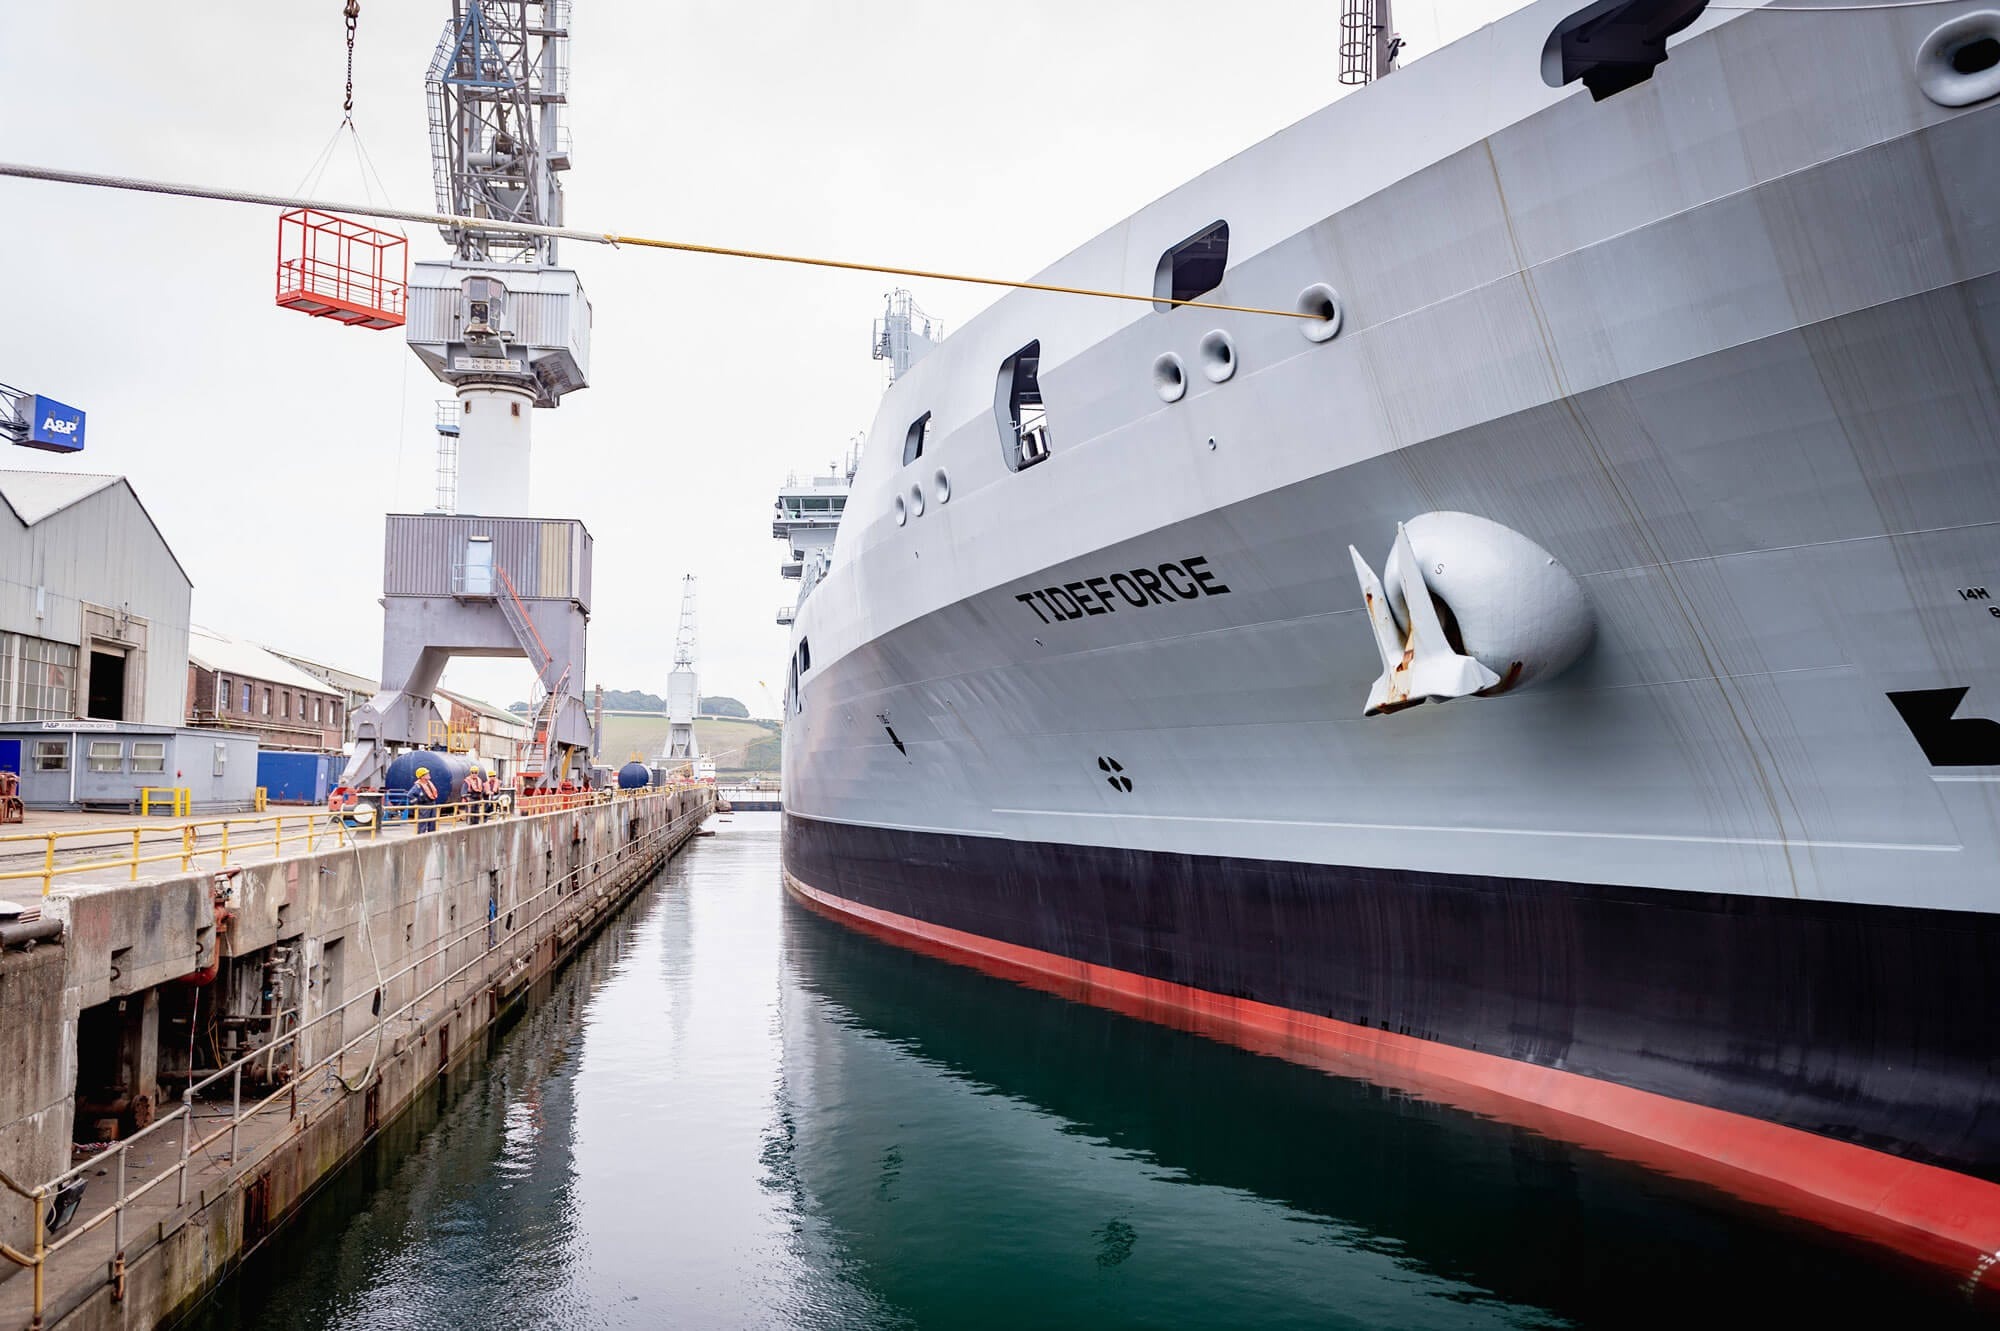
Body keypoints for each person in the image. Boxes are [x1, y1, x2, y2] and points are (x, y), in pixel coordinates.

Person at [413, 765, 440, 833]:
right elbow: (410, 795)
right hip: (424, 806)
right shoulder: (418, 786)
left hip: (432, 804)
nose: (429, 774)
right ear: (422, 776)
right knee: (423, 822)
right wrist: (417, 802)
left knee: (432, 821)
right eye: (427, 774)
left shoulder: (428, 783)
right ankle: (421, 836)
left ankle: (432, 834)